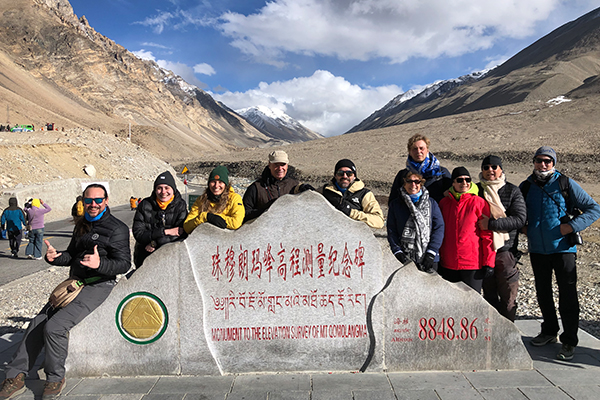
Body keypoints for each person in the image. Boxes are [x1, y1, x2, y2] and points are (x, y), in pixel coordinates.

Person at [0, 183, 131, 399]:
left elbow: (123, 264)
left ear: (106, 201)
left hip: (99, 285)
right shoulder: (82, 225)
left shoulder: (116, 228)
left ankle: (55, 378)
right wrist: (56, 257)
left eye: (98, 200)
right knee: (36, 323)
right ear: (83, 202)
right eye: (89, 200)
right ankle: (15, 376)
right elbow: (71, 254)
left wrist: (99, 264)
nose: (93, 204)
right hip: (74, 283)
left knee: (55, 327)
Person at [520, 146, 600, 360]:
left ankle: (569, 341)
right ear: (534, 161)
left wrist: (571, 227)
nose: (543, 164)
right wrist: (522, 228)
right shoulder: (526, 186)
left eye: (547, 161)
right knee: (543, 291)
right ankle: (549, 331)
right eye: (539, 160)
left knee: (568, 294)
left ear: (553, 163)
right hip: (538, 249)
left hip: (564, 249)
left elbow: (594, 209)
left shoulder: (565, 183)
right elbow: (517, 212)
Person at [476, 155, 527, 322]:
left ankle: (508, 334)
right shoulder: (476, 190)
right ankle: (491, 336)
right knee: (488, 295)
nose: (490, 170)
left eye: (494, 167)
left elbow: (519, 219)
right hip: (482, 251)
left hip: (505, 250)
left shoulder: (512, 190)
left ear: (501, 170)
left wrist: (491, 224)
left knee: (508, 297)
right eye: (486, 167)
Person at [438, 167, 495, 293]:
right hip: (449, 262)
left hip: (472, 263)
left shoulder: (479, 202)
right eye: (460, 180)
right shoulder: (444, 203)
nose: (464, 183)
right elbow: (439, 232)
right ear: (453, 183)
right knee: (451, 303)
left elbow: (487, 234)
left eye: (467, 179)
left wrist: (489, 262)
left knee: (473, 303)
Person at [387, 172, 444, 273]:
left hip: (429, 257)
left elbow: (439, 228)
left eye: (416, 181)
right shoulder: (396, 204)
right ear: (404, 183)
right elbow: (392, 229)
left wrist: (431, 252)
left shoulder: (432, 203)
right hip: (404, 258)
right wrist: (397, 251)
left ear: (421, 183)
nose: (413, 185)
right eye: (409, 181)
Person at [133, 171, 188, 269]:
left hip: (171, 258)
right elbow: (138, 233)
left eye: (167, 188)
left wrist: (156, 243)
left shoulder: (180, 206)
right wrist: (165, 232)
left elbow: (181, 233)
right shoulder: (145, 205)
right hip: (145, 258)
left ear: (173, 189)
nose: (163, 192)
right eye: (159, 188)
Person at [242, 151, 312, 222]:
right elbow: (244, 214)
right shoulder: (256, 188)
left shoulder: (295, 185)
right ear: (269, 165)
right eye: (276, 165)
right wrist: (267, 210)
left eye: (283, 165)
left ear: (287, 166)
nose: (280, 168)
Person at [389, 134, 452, 204]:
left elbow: (451, 199)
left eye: (421, 148)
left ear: (427, 150)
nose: (419, 152)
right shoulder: (403, 175)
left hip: (436, 213)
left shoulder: (441, 172)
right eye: (415, 149)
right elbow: (393, 202)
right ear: (409, 152)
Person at [321, 159, 384, 229]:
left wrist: (350, 212)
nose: (345, 176)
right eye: (340, 173)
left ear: (354, 176)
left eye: (349, 173)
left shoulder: (364, 194)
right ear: (335, 175)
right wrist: (308, 192)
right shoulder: (325, 190)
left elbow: (379, 221)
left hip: (354, 236)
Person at [184, 166, 245, 233]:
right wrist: (205, 217)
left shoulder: (234, 199)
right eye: (213, 182)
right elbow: (187, 227)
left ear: (226, 184)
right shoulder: (201, 200)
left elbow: (236, 223)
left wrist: (215, 217)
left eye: (220, 182)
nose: (216, 186)